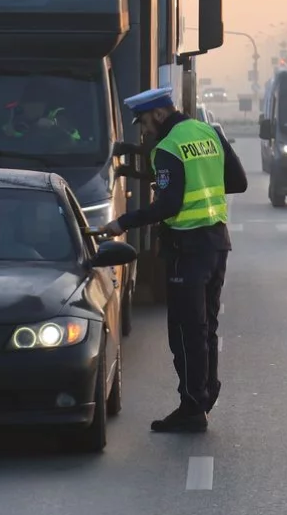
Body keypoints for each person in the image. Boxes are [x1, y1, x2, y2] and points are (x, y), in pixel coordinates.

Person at [96, 87, 248, 433]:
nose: (145, 130)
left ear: (160, 115)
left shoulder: (167, 147)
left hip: (186, 249)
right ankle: (205, 394)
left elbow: (168, 206)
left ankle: (192, 407)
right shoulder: (207, 132)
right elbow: (236, 182)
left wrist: (122, 222)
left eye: (145, 123)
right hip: (216, 245)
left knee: (183, 330)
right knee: (206, 326)